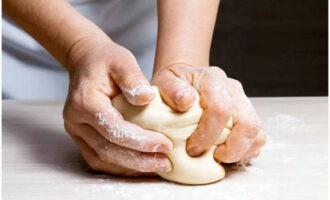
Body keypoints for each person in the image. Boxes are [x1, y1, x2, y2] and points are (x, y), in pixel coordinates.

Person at [3, 0, 266, 176]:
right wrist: (79, 46)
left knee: (160, 105)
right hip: (18, 41)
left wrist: (181, 61)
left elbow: (179, 78)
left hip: (162, 20)